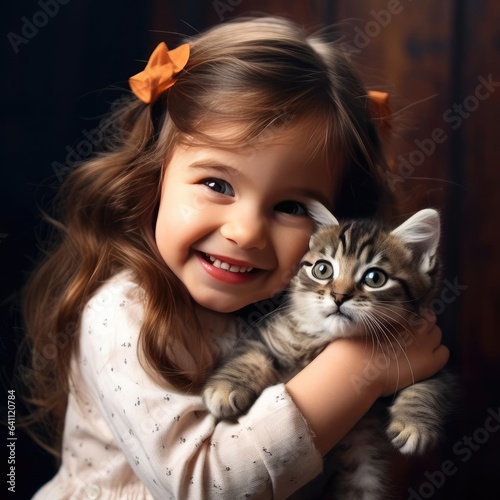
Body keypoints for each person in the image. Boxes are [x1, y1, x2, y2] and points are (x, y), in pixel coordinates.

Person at [22, 16, 448, 499]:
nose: (245, 233)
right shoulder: (122, 313)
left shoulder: (284, 305)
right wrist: (358, 370)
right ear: (152, 178)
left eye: (290, 207)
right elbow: (202, 486)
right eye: (217, 184)